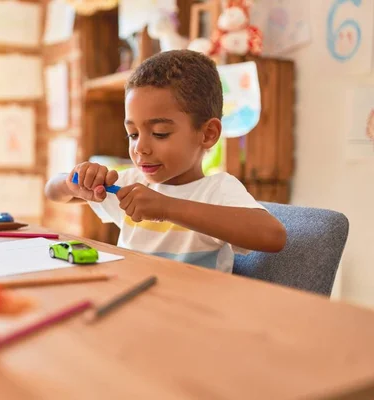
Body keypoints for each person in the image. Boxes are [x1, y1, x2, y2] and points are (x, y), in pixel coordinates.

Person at [44, 50, 286, 273]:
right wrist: (74, 182)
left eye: (160, 133)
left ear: (208, 134)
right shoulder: (131, 183)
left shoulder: (217, 190)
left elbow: (273, 236)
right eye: (133, 134)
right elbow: (53, 191)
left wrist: (167, 208)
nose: (140, 148)